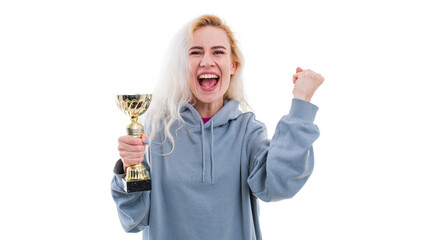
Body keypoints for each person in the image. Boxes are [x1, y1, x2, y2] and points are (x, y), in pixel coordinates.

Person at [111, 15, 324, 240]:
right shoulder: (155, 130)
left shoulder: (248, 132)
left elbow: (278, 185)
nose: (206, 61)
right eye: (196, 52)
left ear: (233, 65)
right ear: (182, 64)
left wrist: (301, 106)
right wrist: (128, 168)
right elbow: (133, 219)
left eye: (218, 52)